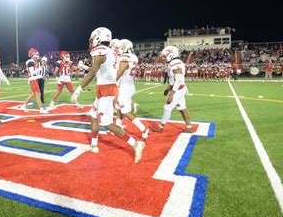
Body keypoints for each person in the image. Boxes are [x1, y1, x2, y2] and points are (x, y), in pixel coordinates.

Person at [71, 27, 145, 163]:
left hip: (106, 89)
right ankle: (94, 145)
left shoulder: (100, 50)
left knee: (107, 123)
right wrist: (85, 69)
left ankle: (136, 144)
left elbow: (93, 72)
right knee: (93, 115)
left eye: (93, 38)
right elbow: (99, 70)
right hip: (106, 88)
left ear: (98, 38)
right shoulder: (107, 51)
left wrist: (79, 89)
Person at [151, 45, 193, 133]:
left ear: (171, 54)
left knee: (167, 106)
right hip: (180, 89)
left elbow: (178, 79)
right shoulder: (175, 62)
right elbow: (172, 79)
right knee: (182, 108)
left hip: (177, 90)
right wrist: (168, 89)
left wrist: (172, 93)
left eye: (166, 55)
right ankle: (189, 127)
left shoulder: (175, 62)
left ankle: (160, 127)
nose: (164, 57)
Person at [114, 39, 150, 141]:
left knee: (125, 111)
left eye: (120, 47)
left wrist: (112, 82)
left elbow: (119, 72)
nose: (118, 49)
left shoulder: (124, 58)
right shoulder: (132, 57)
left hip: (124, 86)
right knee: (119, 107)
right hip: (129, 84)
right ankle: (118, 126)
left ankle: (144, 129)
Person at [23, 48, 48, 113]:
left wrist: (41, 76)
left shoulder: (35, 62)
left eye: (37, 54)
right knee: (38, 94)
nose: (37, 56)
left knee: (33, 94)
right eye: (35, 54)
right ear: (31, 55)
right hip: (32, 79)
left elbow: (36, 73)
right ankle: (41, 109)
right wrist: (41, 67)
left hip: (35, 79)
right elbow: (32, 73)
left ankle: (24, 105)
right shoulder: (30, 62)